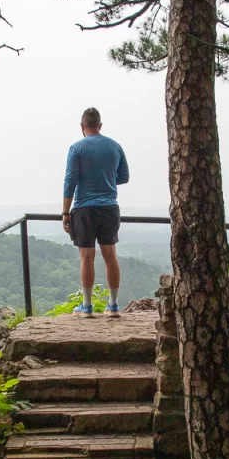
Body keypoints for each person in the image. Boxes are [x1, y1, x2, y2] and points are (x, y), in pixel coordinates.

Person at [62, 107, 129, 318]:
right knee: (111, 256)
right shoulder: (115, 146)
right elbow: (124, 177)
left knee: (86, 256)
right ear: (100, 126)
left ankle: (87, 306)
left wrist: (65, 213)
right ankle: (114, 306)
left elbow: (70, 181)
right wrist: (105, 177)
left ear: (82, 127)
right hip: (109, 207)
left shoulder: (76, 148)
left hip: (84, 208)